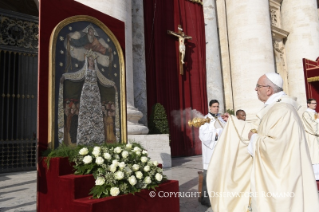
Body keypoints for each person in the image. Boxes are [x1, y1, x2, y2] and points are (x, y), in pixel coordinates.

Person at [207, 73, 319, 212]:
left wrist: (254, 139)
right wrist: (232, 122)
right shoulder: (275, 108)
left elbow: (277, 147)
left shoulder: (282, 110)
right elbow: (258, 128)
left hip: (283, 180)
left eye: (258, 86)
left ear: (268, 90)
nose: (255, 89)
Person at [59, 49, 117, 145]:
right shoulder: (84, 70)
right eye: (90, 60)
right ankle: (83, 138)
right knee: (86, 113)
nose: (91, 61)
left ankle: (97, 139)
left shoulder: (96, 71)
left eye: (92, 60)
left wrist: (113, 84)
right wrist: (65, 76)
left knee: (96, 114)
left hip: (95, 93)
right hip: (86, 92)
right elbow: (75, 76)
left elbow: (104, 80)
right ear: (87, 60)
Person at [198, 99, 228, 207]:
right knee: (208, 176)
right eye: (214, 106)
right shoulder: (205, 120)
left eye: (217, 106)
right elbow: (203, 136)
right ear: (210, 107)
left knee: (220, 176)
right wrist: (217, 133)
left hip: (221, 151)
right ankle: (205, 200)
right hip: (210, 152)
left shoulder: (221, 118)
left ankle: (219, 198)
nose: (216, 108)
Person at [301, 98, 319, 180]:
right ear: (308, 104)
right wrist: (318, 120)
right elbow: (312, 127)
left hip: (317, 137)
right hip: (312, 138)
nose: (315, 104)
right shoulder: (306, 114)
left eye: (316, 103)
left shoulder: (315, 113)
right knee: (314, 156)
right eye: (313, 103)